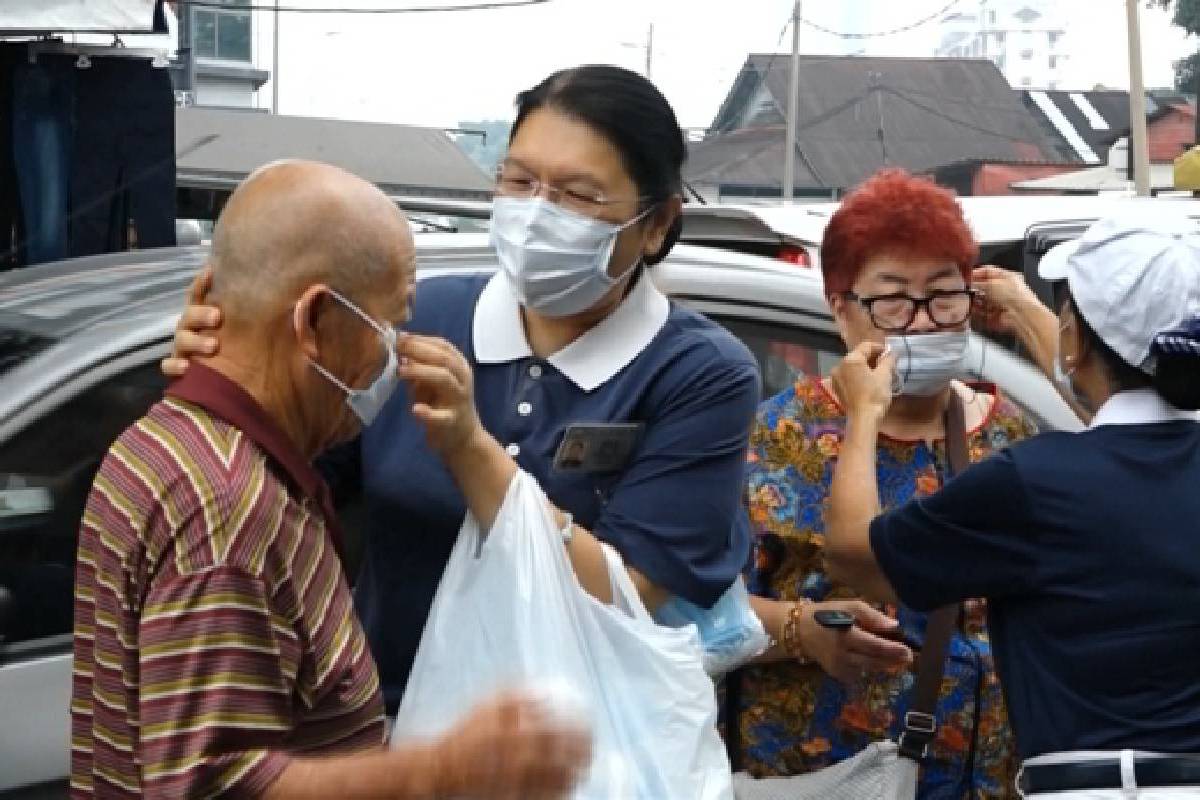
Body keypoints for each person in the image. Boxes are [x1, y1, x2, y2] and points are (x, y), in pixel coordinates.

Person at [165, 65, 762, 715]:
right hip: (382, 727)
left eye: (576, 195)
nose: (536, 214)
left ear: (655, 223)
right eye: (519, 180)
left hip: (577, 750)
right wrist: (229, 375)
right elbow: (286, 480)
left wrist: (468, 447)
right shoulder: (414, 316)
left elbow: (625, 597)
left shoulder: (699, 374)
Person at [71, 160, 590, 799]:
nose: (398, 354)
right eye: (391, 326)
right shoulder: (229, 510)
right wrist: (449, 769)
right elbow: (217, 788)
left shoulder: (164, 438)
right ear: (314, 321)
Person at [825, 210, 1200, 799]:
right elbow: (1119, 400)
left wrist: (864, 411)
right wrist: (1028, 311)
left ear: (1074, 338)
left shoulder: (1034, 481)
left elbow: (855, 557)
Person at [732, 169, 1035, 798]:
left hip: (990, 776)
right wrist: (800, 628)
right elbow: (692, 614)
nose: (922, 322)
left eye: (943, 296)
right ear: (840, 311)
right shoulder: (776, 437)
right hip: (832, 774)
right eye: (892, 300)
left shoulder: (1007, 430)